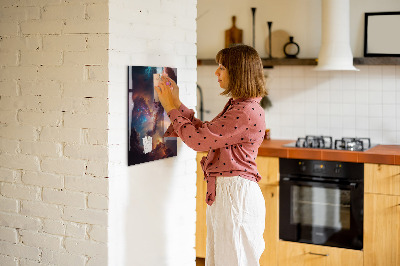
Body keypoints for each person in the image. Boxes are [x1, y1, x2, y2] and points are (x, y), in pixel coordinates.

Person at [155, 44, 267, 266]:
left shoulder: (244, 111)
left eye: (222, 67)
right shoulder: (240, 106)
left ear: (238, 72)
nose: (217, 73)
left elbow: (198, 141)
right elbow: (206, 133)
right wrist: (176, 104)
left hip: (235, 197)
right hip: (230, 195)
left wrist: (170, 108)